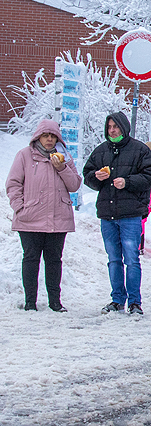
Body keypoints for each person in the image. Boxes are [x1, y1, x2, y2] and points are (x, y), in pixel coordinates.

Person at [83, 112, 151, 315]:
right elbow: (87, 175)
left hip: (130, 215)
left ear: (124, 127)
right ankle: (117, 299)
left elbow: (150, 175)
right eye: (109, 127)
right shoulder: (101, 151)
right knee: (114, 259)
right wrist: (96, 177)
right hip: (107, 215)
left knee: (132, 259)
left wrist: (128, 182)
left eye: (115, 126)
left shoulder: (139, 149)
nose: (112, 130)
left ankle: (135, 302)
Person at [6, 119, 82, 312]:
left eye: (52, 136)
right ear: (38, 136)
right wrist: (19, 207)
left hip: (58, 219)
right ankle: (30, 301)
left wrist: (61, 168)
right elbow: (13, 184)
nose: (49, 140)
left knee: (54, 260)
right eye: (45, 135)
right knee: (30, 259)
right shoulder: (24, 155)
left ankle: (55, 302)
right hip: (29, 218)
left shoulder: (64, 157)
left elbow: (74, 185)